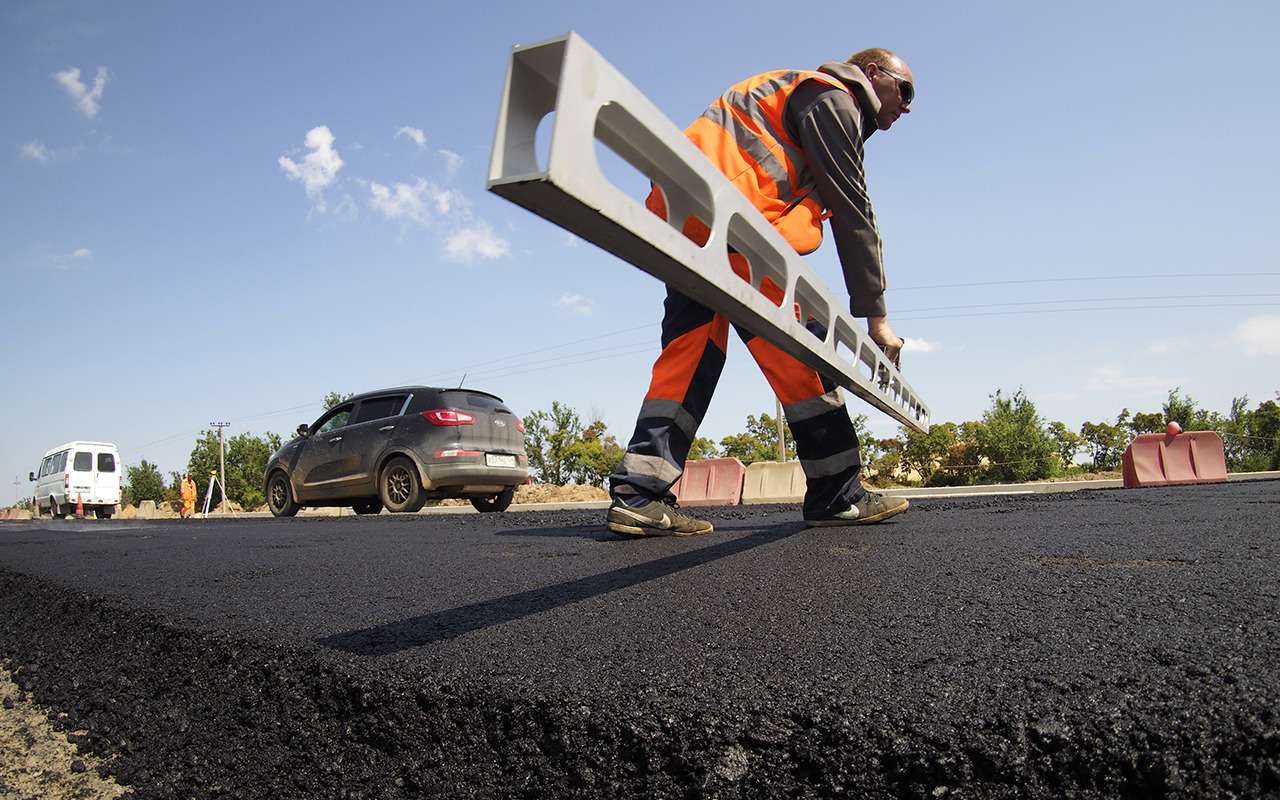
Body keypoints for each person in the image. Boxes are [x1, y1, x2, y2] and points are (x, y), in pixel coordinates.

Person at [606, 48, 917, 537]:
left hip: (690, 220)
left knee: (690, 355)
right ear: (872, 73)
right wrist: (876, 317)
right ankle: (837, 494)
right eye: (905, 89)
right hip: (739, 228)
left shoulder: (795, 92)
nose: (908, 105)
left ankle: (639, 494)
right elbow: (852, 210)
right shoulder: (833, 99)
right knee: (805, 356)